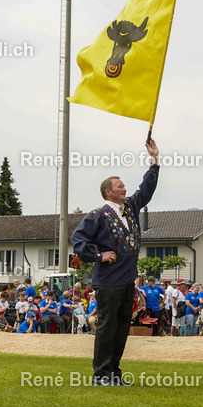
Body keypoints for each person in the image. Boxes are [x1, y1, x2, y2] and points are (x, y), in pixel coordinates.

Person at [70, 139, 159, 386]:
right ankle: (101, 375)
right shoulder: (98, 215)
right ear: (108, 192)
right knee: (107, 328)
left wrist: (154, 160)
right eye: (120, 186)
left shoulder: (130, 207)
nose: (124, 189)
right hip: (108, 282)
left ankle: (114, 373)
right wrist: (99, 255)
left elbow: (146, 190)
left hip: (127, 280)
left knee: (121, 329)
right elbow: (77, 239)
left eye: (123, 186)